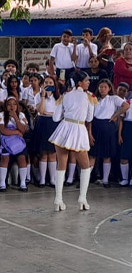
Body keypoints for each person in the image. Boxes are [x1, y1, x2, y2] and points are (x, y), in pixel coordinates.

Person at [49, 71, 96, 211]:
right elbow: (89, 118)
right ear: (80, 82)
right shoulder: (89, 97)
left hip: (64, 128)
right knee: (85, 166)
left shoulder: (65, 96)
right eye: (87, 80)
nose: (89, 82)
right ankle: (82, 198)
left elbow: (56, 118)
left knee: (61, 164)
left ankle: (58, 199)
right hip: (78, 128)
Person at [89, 79, 129, 187]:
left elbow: (126, 106)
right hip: (96, 125)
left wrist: (115, 115)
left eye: (105, 87)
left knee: (107, 155)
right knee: (92, 155)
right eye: (100, 87)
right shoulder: (94, 99)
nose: (102, 89)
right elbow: (90, 117)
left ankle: (105, 180)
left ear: (109, 88)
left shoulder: (113, 98)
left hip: (108, 126)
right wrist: (89, 133)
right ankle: (86, 179)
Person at [0, 97, 29, 192]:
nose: (12, 106)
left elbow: (23, 130)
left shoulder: (21, 115)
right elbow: (3, 130)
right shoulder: (0, 115)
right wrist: (16, 132)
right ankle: (2, 183)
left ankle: (22, 183)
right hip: (5, 140)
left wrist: (15, 118)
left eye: (14, 104)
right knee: (4, 158)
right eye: (9, 104)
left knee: (22, 158)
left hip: (18, 141)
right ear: (6, 106)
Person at [32, 76, 60, 187]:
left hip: (53, 124)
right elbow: (41, 110)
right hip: (42, 123)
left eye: (50, 82)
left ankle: (52, 179)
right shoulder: (38, 96)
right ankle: (42, 179)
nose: (48, 84)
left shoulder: (58, 97)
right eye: (46, 82)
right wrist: (44, 96)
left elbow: (59, 112)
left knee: (53, 154)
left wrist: (50, 114)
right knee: (43, 153)